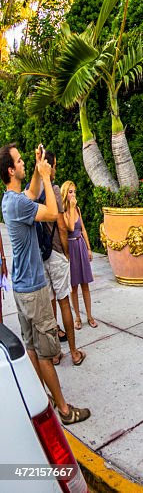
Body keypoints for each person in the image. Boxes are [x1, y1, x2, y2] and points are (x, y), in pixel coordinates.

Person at [0, 143, 90, 424]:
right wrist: (48, 177)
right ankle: (64, 410)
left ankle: (42, 400)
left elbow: (30, 192)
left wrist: (39, 170)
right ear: (11, 170)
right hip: (35, 290)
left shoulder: (10, 200)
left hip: (22, 288)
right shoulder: (18, 204)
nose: (25, 162)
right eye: (20, 161)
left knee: (31, 347)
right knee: (47, 352)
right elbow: (53, 212)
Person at [37, 151, 83, 365]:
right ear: (51, 167)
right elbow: (62, 227)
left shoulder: (33, 192)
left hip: (40, 254)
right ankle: (73, 352)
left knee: (50, 304)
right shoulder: (54, 190)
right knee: (64, 302)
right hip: (55, 251)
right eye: (54, 165)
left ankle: (55, 354)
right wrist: (66, 253)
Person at [58, 181, 96, 329]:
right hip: (71, 248)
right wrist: (72, 207)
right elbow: (71, 227)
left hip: (80, 245)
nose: (73, 195)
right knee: (74, 286)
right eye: (70, 192)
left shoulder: (78, 209)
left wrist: (89, 248)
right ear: (65, 193)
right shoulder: (63, 212)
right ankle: (78, 318)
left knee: (85, 284)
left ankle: (89, 316)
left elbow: (83, 229)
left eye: (74, 192)